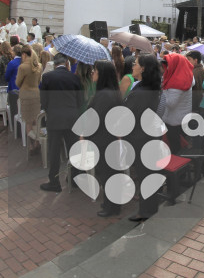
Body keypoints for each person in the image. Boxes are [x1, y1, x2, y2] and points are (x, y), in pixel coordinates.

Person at [124, 54, 162, 221]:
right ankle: (149, 206)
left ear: (143, 68)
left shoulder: (140, 93)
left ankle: (146, 211)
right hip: (149, 136)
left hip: (140, 138)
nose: (133, 66)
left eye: (136, 64)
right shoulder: (149, 87)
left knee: (144, 173)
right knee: (148, 173)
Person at [39, 52, 83, 192]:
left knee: (54, 151)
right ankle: (74, 178)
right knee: (73, 150)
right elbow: (80, 100)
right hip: (72, 118)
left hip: (54, 118)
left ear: (54, 64)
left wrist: (50, 110)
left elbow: (43, 101)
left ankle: (54, 181)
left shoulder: (47, 77)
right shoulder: (75, 78)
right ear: (67, 64)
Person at [90, 60, 124, 217]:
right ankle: (111, 204)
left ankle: (112, 207)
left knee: (107, 173)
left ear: (102, 73)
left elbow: (96, 119)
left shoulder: (105, 95)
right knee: (110, 172)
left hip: (104, 140)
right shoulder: (111, 92)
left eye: (95, 70)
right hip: (109, 139)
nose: (92, 72)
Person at [160, 53, 193, 156]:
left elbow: (171, 103)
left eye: (168, 64)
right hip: (180, 116)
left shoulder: (177, 81)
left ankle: (178, 164)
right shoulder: (185, 74)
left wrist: (161, 92)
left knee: (175, 145)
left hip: (174, 119)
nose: (166, 67)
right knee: (177, 140)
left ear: (175, 64)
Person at [16, 44, 42, 152]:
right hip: (36, 94)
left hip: (26, 95)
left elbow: (18, 83)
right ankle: (37, 141)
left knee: (28, 121)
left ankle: (31, 144)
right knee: (36, 120)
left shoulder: (23, 67)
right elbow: (39, 81)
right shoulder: (38, 66)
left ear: (24, 54)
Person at [4, 45, 22, 124]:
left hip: (13, 88)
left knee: (14, 109)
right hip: (23, 88)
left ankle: (16, 127)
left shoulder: (12, 63)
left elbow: (7, 76)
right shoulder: (24, 61)